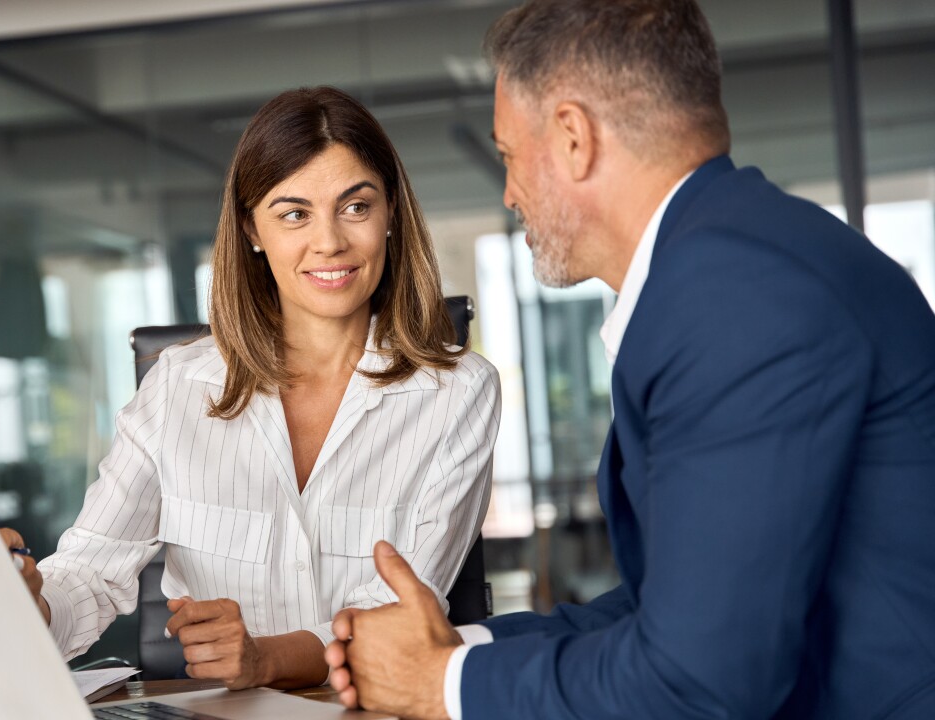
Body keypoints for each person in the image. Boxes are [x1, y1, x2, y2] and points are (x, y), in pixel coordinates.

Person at [324, 1, 935, 718]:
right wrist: (458, 649)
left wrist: (442, 687)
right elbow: (673, 612)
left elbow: (699, 682)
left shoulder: (734, 297)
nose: (509, 192)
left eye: (508, 156)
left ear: (574, 138)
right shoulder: (744, 258)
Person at [2, 85, 501, 691]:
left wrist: (266, 659)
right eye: (294, 213)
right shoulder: (176, 387)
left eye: (356, 206)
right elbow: (91, 570)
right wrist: (33, 603)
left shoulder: (459, 392)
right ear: (252, 229)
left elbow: (399, 608)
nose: (330, 243)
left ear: (391, 212)